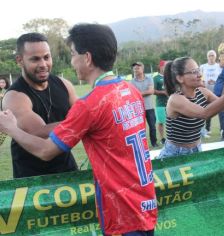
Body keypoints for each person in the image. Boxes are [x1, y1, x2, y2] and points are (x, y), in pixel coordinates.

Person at [0, 23, 157, 235]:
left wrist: (10, 128)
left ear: (87, 58)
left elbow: (47, 149)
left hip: (121, 208)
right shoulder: (129, 89)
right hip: (142, 199)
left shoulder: (88, 102)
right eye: (35, 58)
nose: (70, 61)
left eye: (73, 54)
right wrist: (79, 122)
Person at [1, 33, 78, 178]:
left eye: (46, 57)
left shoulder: (65, 85)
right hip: (32, 181)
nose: (43, 64)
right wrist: (85, 121)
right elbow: (39, 132)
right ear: (20, 60)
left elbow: (80, 113)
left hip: (68, 171)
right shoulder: (14, 96)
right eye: (35, 59)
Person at [157, 57, 224, 159]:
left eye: (199, 70)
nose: (200, 75)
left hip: (197, 150)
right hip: (175, 155)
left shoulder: (203, 92)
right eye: (194, 72)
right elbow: (204, 113)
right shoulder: (175, 99)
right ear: (180, 78)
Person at [131, 61, 158, 148]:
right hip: (138, 108)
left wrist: (138, 93)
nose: (135, 70)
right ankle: (142, 145)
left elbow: (151, 91)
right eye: (134, 68)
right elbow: (133, 94)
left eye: (137, 68)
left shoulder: (149, 79)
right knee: (140, 129)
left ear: (142, 69)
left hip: (149, 107)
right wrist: (145, 92)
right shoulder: (132, 82)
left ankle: (154, 143)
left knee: (152, 127)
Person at [199, 50, 222, 135]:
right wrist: (204, 82)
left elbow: (221, 79)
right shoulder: (203, 66)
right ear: (207, 57)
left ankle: (222, 129)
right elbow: (200, 78)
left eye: (212, 55)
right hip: (206, 93)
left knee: (220, 109)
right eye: (209, 56)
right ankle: (207, 129)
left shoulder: (219, 66)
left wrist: (215, 82)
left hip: (217, 92)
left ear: (215, 57)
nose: (211, 57)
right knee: (206, 110)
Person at [153, 60, 168, 145]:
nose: (165, 67)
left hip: (170, 103)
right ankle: (162, 138)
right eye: (164, 66)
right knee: (161, 122)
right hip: (160, 103)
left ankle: (171, 138)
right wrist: (163, 92)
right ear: (160, 67)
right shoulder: (156, 78)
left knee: (172, 121)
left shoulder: (169, 76)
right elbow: (153, 91)